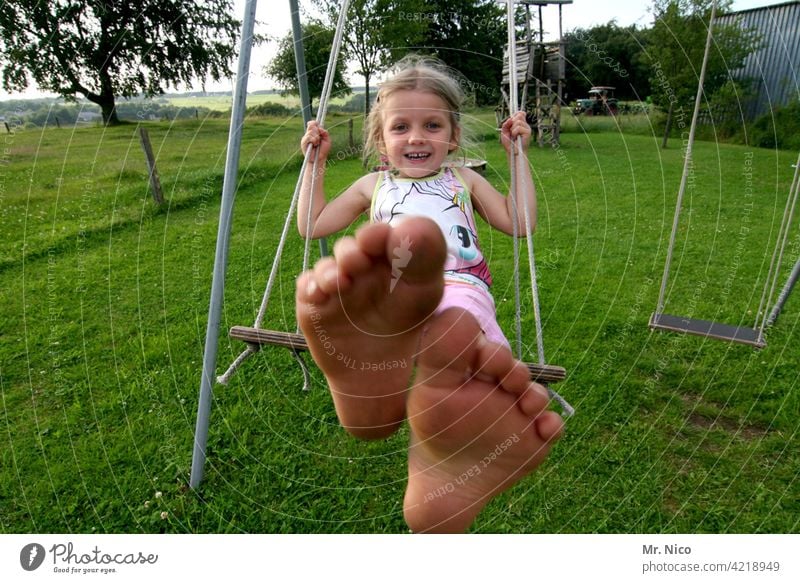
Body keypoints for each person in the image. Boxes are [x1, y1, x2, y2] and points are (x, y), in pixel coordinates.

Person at [295, 57, 563, 533]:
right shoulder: (370, 185)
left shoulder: (464, 179)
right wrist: (313, 165)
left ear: (453, 136)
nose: (417, 136)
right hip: (394, 290)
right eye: (402, 126)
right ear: (381, 139)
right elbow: (313, 224)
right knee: (405, 314)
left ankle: (450, 437)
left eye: (432, 125)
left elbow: (519, 224)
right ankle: (375, 381)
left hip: (459, 284)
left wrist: (517, 156)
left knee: (461, 332)